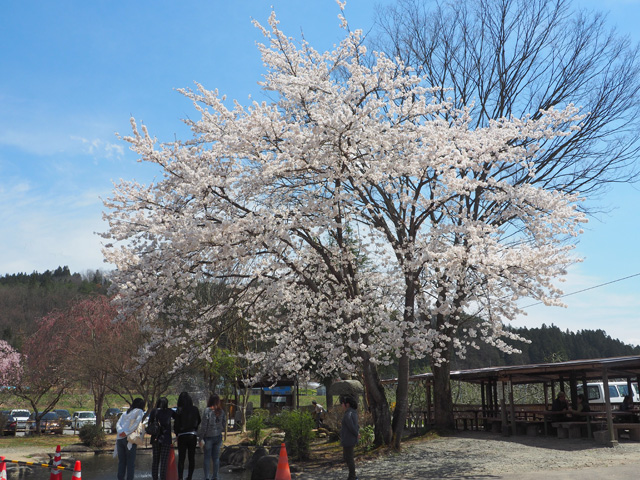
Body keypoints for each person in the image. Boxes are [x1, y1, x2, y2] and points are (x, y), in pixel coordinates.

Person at [115, 398, 145, 480]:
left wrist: (120, 431)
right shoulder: (139, 411)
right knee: (130, 463)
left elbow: (118, 423)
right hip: (130, 439)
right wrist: (126, 432)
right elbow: (136, 424)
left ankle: (120, 478)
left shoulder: (125, 413)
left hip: (119, 438)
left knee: (121, 462)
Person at [174, 391, 201, 480]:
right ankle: (189, 477)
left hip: (182, 435)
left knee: (181, 458)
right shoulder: (195, 409)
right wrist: (194, 428)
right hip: (192, 435)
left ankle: (180, 477)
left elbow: (176, 424)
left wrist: (177, 433)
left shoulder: (179, 410)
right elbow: (199, 420)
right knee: (191, 457)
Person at [198, 394, 226, 480]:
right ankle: (215, 476)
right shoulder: (222, 411)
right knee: (216, 458)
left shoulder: (207, 411)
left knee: (207, 457)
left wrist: (200, 438)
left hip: (208, 437)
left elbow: (204, 426)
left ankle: (206, 477)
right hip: (218, 437)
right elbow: (224, 424)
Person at [150, 397, 175, 480]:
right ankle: (163, 478)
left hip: (155, 438)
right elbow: (177, 418)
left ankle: (155, 478)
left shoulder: (154, 411)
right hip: (166, 439)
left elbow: (150, 423)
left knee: (155, 460)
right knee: (164, 462)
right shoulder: (169, 411)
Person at [340, 395, 360, 480]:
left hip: (349, 439)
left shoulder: (348, 413)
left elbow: (351, 426)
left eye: (343, 403)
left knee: (349, 458)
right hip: (350, 438)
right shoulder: (353, 412)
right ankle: (353, 475)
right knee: (347, 457)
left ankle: (352, 476)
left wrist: (356, 434)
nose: (342, 405)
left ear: (347, 404)